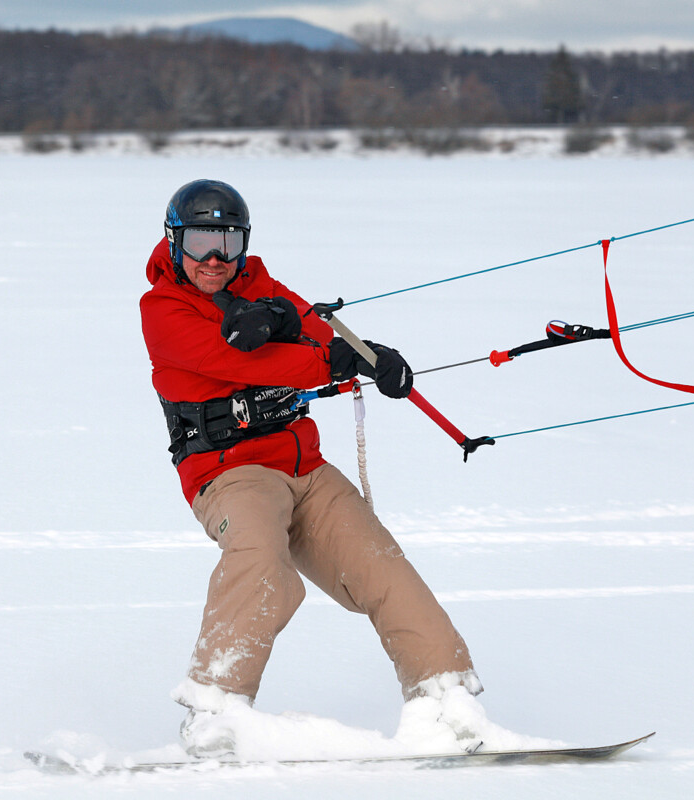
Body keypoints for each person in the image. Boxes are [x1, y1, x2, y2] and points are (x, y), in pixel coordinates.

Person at [140, 178, 484, 757]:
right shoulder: (162, 309)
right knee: (261, 563)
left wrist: (373, 358)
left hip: (304, 466)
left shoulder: (260, 284)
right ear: (174, 242)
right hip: (229, 474)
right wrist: (326, 359)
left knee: (383, 570)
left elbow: (317, 330)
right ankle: (214, 716)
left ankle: (447, 705)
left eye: (228, 242)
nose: (215, 259)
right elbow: (242, 362)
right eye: (199, 242)